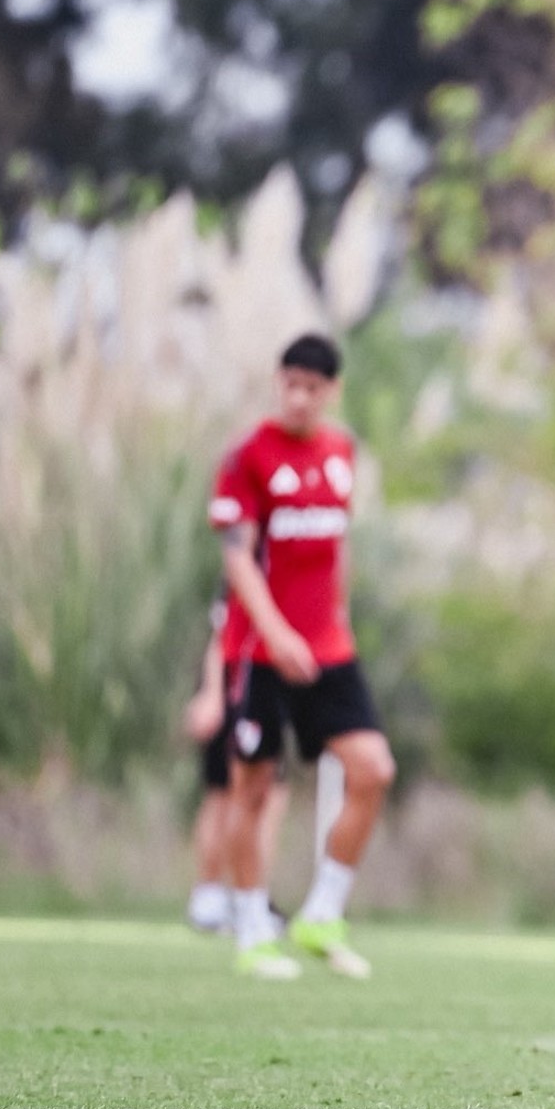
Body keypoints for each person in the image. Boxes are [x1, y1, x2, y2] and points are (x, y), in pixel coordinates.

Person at [209, 333, 396, 981]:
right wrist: (277, 632)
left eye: (311, 387)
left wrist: (334, 616)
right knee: (253, 788)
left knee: (372, 769)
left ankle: (321, 913)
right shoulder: (248, 456)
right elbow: (237, 557)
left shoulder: (342, 452)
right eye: (289, 383)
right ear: (277, 381)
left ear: (331, 391)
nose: (298, 397)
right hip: (261, 650)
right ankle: (252, 928)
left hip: (329, 650)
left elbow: (335, 548)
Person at [183, 595, 287, 936]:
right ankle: (214, 897)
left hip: (262, 687)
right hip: (238, 689)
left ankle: (245, 897)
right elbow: (221, 635)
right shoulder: (249, 567)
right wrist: (213, 694)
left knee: (266, 794)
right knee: (228, 793)